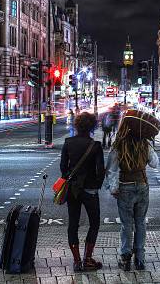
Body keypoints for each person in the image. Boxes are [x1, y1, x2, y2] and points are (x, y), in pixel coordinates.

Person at [106, 118, 159, 271]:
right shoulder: (144, 144)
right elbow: (154, 163)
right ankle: (140, 259)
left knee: (126, 224)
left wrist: (114, 188)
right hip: (142, 185)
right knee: (141, 223)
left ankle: (125, 258)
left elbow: (112, 169)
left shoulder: (119, 144)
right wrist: (150, 148)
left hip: (125, 187)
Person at [60, 112, 105, 272]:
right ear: (92, 127)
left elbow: (63, 169)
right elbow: (100, 170)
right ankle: (88, 259)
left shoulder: (68, 143)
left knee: (73, 224)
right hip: (90, 189)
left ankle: (77, 261)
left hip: (73, 189)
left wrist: (71, 179)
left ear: (76, 126)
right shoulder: (95, 146)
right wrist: (97, 184)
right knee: (94, 223)